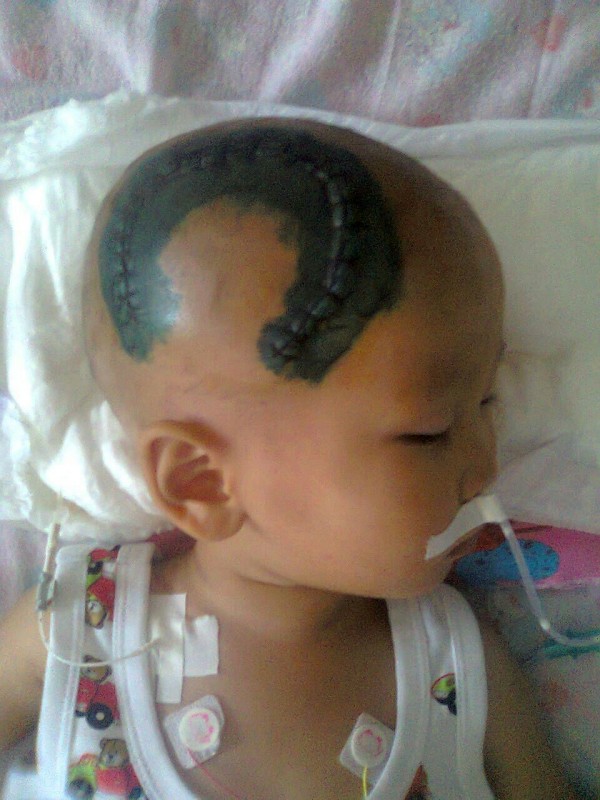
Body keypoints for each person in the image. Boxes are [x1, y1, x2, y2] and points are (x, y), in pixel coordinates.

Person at [0, 119, 578, 800]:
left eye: (487, 403)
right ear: (200, 481)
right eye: (429, 433)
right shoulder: (74, 632)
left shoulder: (458, 665)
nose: (485, 467)